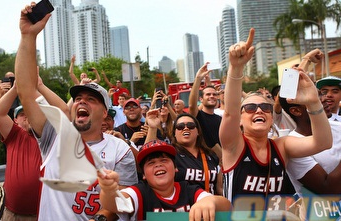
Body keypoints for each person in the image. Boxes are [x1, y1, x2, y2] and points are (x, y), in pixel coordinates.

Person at [15, 4, 137, 220]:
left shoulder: (120, 151)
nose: (82, 102)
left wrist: (102, 214)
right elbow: (25, 91)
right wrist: (28, 36)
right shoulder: (54, 134)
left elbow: (126, 204)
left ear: (105, 115)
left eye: (91, 100)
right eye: (78, 98)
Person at [219, 28, 332, 206]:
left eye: (265, 107)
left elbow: (323, 142)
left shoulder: (282, 145)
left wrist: (313, 103)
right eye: (249, 107)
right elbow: (230, 112)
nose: (258, 111)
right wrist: (236, 67)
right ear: (240, 120)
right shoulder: (234, 146)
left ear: (272, 118)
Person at [97, 140, 232, 221]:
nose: (158, 165)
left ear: (175, 169)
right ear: (143, 175)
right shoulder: (139, 193)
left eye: (164, 160)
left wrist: (210, 201)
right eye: (151, 163)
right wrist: (108, 189)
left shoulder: (189, 190)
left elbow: (226, 206)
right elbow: (114, 204)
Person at [279, 49, 341, 196]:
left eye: (318, 94)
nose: (324, 99)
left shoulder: (338, 127)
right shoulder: (294, 147)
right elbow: (328, 189)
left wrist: (306, 60)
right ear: (296, 111)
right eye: (312, 96)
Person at [0, 81, 42, 220]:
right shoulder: (15, 135)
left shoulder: (49, 136)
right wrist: (16, 88)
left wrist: (39, 88)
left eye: (31, 112)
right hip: (13, 214)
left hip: (45, 212)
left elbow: (64, 113)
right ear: (14, 120)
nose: (27, 116)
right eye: (22, 114)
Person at [189, 65, 222, 158]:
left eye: (214, 94)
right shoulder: (198, 116)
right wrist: (198, 79)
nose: (212, 96)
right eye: (208, 94)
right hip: (203, 160)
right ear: (201, 99)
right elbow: (192, 106)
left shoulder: (220, 119)